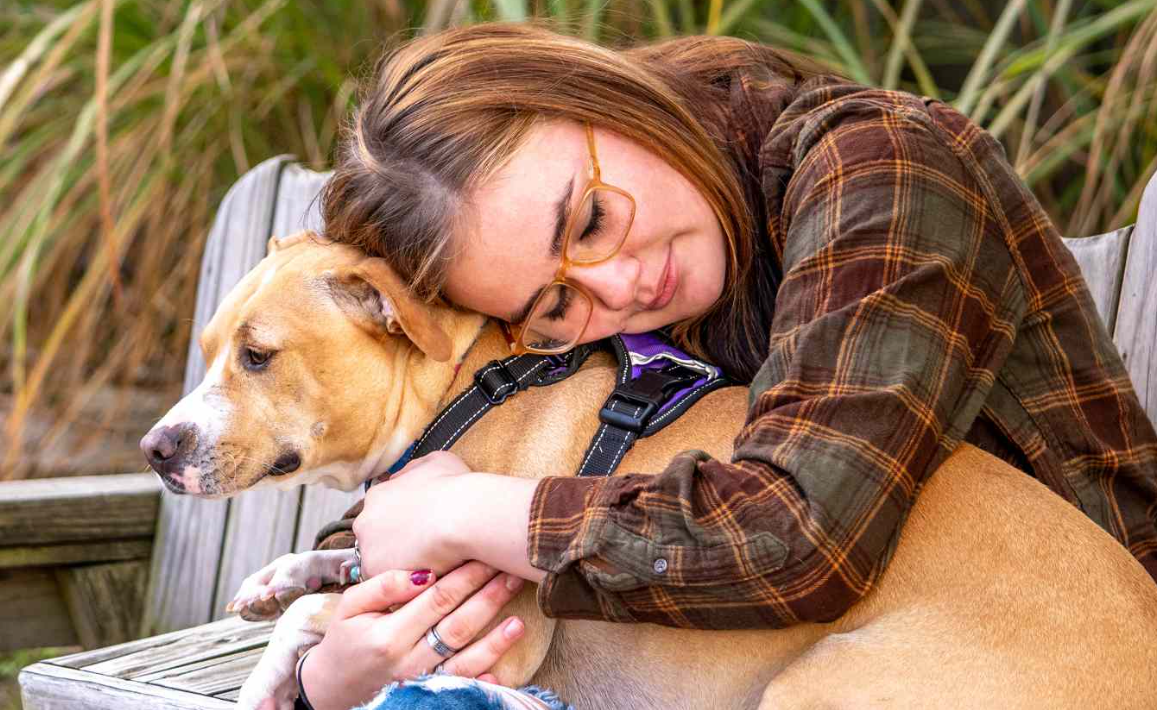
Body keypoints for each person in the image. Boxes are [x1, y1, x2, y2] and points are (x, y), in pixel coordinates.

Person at [296, 21, 1157, 710]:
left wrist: (460, 509)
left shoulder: (879, 167)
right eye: (555, 305)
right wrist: (332, 667)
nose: (619, 283)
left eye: (590, 219)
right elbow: (479, 459)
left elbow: (798, 537)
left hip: (1043, 654)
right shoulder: (616, 292)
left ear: (603, 96)